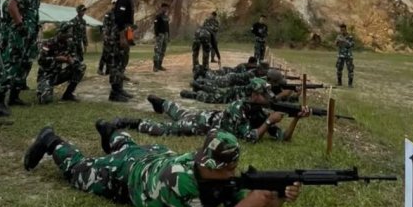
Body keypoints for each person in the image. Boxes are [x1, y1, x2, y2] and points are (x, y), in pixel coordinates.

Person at [23, 126, 302, 207]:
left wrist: (276, 199)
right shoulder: (179, 181)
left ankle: (114, 133)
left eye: (233, 168)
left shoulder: (220, 178)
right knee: (80, 172)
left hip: (154, 155)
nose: (231, 175)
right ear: (205, 163)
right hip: (130, 175)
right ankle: (52, 140)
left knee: (129, 147)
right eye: (224, 170)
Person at [114, 79, 309, 143]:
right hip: (203, 124)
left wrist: (296, 119)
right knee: (166, 129)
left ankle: (161, 103)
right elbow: (249, 138)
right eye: (263, 94)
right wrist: (268, 122)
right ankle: (133, 123)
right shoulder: (238, 107)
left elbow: (284, 137)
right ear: (253, 94)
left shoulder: (258, 110)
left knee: (179, 110)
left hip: (208, 117)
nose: (268, 97)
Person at [1, 0, 52, 106]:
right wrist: (19, 24)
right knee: (12, 64)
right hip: (19, 33)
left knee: (25, 64)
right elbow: (12, 5)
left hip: (30, 33)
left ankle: (14, 97)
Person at [36, 22, 85, 103]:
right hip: (46, 75)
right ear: (61, 32)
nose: (69, 36)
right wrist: (56, 59)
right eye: (67, 34)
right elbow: (40, 60)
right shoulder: (48, 43)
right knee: (46, 100)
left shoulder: (69, 44)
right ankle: (42, 89)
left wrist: (71, 61)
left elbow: (75, 59)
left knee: (80, 67)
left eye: (70, 35)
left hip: (58, 74)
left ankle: (68, 94)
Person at [109, 0, 140, 102]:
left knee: (122, 63)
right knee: (117, 63)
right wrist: (122, 38)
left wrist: (130, 38)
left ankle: (119, 89)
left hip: (126, 33)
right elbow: (119, 21)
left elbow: (128, 23)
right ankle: (114, 93)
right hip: (119, 35)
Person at [97, 0, 117, 75]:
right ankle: (100, 69)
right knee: (105, 54)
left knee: (112, 54)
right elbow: (104, 25)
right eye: (114, 4)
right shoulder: (108, 14)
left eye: (116, 3)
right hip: (108, 37)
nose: (115, 5)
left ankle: (108, 70)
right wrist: (105, 35)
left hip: (115, 38)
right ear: (112, 4)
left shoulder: (119, 14)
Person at [152, 2, 170, 72]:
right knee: (157, 50)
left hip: (165, 35)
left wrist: (168, 36)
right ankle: (155, 66)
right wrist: (156, 35)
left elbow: (167, 27)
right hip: (160, 35)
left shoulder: (166, 17)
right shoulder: (158, 16)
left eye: (166, 8)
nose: (165, 9)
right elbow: (155, 26)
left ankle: (159, 65)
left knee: (163, 50)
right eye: (164, 8)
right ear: (162, 8)